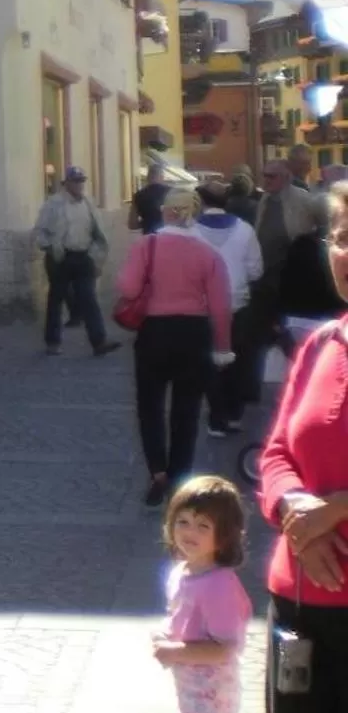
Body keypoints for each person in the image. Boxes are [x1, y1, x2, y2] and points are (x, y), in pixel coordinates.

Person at [256, 180, 348, 713]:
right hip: (299, 604)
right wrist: (295, 513)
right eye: (342, 238)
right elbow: (275, 453)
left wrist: (337, 509)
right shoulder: (321, 343)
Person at [117, 189, 232, 507]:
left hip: (154, 332)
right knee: (188, 409)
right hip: (194, 334)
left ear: (165, 212)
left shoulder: (146, 245)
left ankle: (157, 471)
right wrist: (223, 347)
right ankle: (180, 475)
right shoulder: (207, 253)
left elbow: (128, 288)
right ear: (193, 215)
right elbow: (221, 306)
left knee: (150, 405)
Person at [153, 476, 250, 713]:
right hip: (191, 686)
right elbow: (180, 614)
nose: (189, 532)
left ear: (224, 537)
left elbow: (224, 649)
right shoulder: (182, 571)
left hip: (211, 694)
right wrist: (166, 632)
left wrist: (173, 651)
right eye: (182, 521)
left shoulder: (219, 585)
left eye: (202, 526)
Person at [193, 183, 264, 437]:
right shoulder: (245, 229)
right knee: (237, 359)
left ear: (201, 202)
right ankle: (234, 413)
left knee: (210, 361)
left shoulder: (191, 231)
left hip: (203, 306)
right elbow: (256, 270)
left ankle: (216, 417)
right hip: (237, 303)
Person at [34, 166, 122, 357]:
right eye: (75, 181)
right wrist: (50, 247)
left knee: (89, 298)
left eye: (82, 181)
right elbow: (40, 231)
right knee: (56, 300)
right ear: (66, 183)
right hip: (60, 258)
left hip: (83, 256)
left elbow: (99, 233)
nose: (79, 185)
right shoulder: (54, 204)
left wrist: (96, 256)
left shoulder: (88, 203)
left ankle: (99, 342)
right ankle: (53, 342)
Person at [257, 159, 332, 322]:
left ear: (286, 177)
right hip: (267, 271)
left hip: (293, 271)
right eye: (264, 175)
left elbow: (325, 222)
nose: (267, 180)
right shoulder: (265, 199)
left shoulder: (303, 198)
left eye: (272, 176)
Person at [132, 160, 172, 236]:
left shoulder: (138, 195)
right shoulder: (172, 192)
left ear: (148, 177)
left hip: (149, 238)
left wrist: (146, 222)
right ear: (162, 177)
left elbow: (132, 224)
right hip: (168, 236)